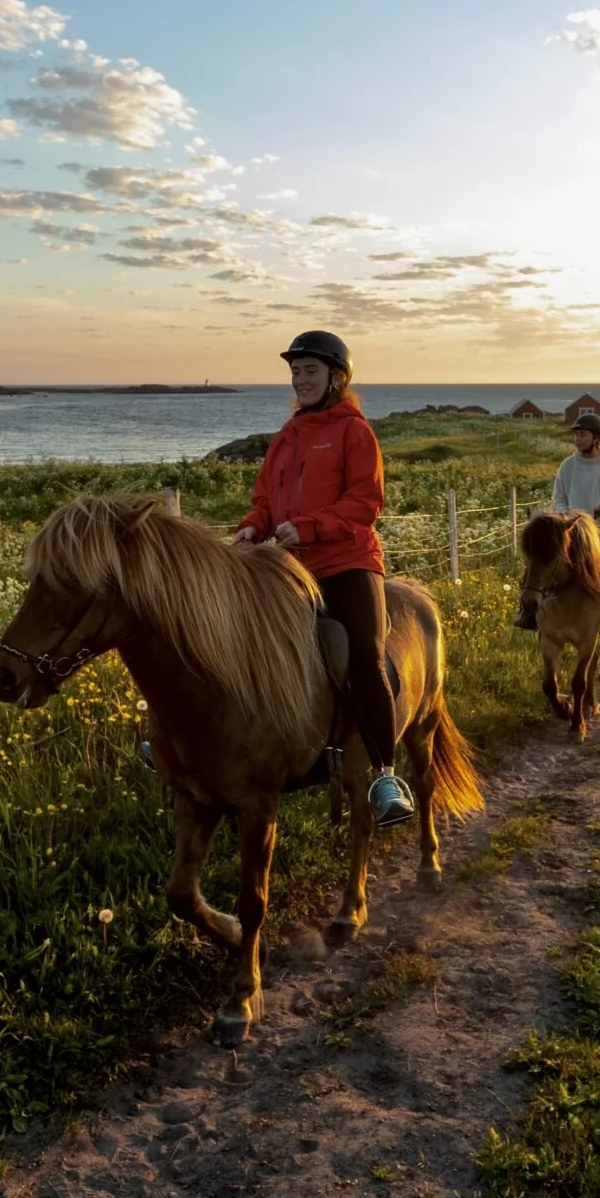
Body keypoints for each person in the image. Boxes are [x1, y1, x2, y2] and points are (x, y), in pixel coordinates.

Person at [233, 331, 416, 828]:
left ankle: (384, 776)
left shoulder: (354, 432)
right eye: (295, 372)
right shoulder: (286, 436)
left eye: (310, 370)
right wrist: (252, 527)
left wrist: (309, 527)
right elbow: (265, 499)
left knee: (364, 656)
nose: (300, 379)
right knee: (234, 639)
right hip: (290, 567)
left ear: (337, 377)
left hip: (347, 563)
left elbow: (365, 503)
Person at [513, 411, 600, 644]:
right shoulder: (568, 466)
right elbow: (559, 498)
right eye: (576, 435)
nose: (577, 439)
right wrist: (566, 516)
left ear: (596, 438)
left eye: (582, 435)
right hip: (571, 528)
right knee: (537, 561)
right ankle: (528, 612)